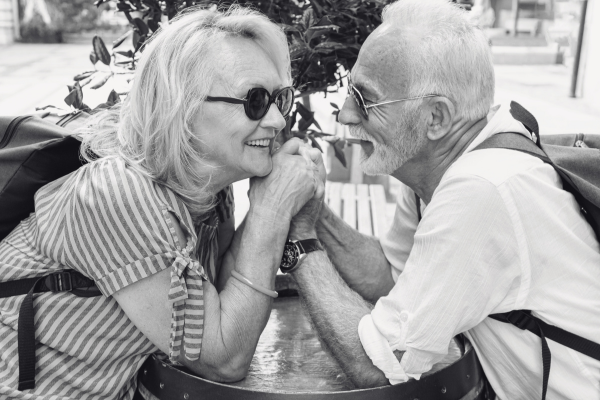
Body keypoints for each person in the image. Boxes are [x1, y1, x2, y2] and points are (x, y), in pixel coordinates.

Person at [0, 6, 323, 400]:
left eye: (280, 98)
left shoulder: (210, 191)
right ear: (182, 108)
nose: (275, 119)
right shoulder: (118, 193)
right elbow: (222, 358)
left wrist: (268, 207)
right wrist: (271, 210)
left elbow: (221, 302)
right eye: (255, 100)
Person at [284, 0, 600, 398]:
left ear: (436, 118)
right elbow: (388, 274)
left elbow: (378, 364)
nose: (345, 114)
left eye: (365, 100)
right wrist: (313, 210)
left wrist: (298, 241)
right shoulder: (440, 161)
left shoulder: (481, 190)